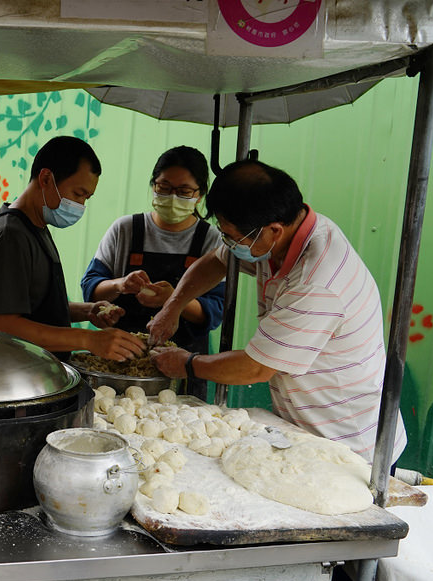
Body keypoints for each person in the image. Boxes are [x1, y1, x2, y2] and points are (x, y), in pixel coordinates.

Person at [148, 159, 406, 464]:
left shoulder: (316, 281)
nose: (229, 243)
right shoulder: (278, 237)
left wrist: (187, 364)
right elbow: (218, 261)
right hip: (303, 429)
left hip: (347, 443)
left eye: (233, 237)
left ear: (273, 230)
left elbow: (256, 368)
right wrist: (172, 307)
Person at [0, 136, 145, 362]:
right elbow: (7, 326)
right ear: (46, 178)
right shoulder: (9, 235)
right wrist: (88, 340)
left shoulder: (35, 228)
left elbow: (33, 307)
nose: (80, 206)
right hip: (13, 381)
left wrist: (87, 311)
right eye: (78, 194)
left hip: (40, 376)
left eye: (86, 198)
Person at [80, 146, 225, 399]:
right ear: (153, 185)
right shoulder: (125, 229)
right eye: (164, 188)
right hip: (119, 363)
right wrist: (119, 285)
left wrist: (174, 302)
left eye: (183, 191)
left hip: (182, 368)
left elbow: (215, 309)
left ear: (200, 194)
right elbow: (91, 289)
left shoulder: (211, 240)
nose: (172, 197)